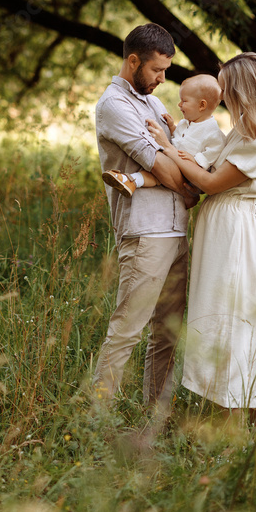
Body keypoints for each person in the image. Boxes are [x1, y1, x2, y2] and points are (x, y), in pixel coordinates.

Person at [146, 52, 256, 431]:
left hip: (233, 230)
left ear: (243, 89)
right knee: (229, 313)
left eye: (227, 87)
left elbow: (209, 183)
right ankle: (255, 412)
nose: (222, 95)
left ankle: (233, 415)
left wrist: (169, 149)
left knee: (231, 316)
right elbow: (205, 163)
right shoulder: (245, 129)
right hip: (220, 227)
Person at [93, 22, 197, 410]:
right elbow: (168, 167)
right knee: (126, 331)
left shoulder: (153, 105)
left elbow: (184, 154)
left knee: (167, 334)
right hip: (145, 233)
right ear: (133, 61)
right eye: (156, 70)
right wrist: (187, 189)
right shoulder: (114, 105)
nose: (162, 79)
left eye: (166, 71)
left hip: (176, 234)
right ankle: (97, 423)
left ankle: (155, 418)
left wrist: (184, 171)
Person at [101, 73, 225, 197]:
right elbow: (180, 137)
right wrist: (172, 127)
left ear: (202, 105)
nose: (179, 104)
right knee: (157, 176)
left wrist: (197, 161)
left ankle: (130, 180)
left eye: (184, 101)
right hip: (173, 163)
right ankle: (130, 182)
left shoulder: (213, 132)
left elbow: (214, 152)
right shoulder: (185, 123)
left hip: (190, 172)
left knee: (157, 175)